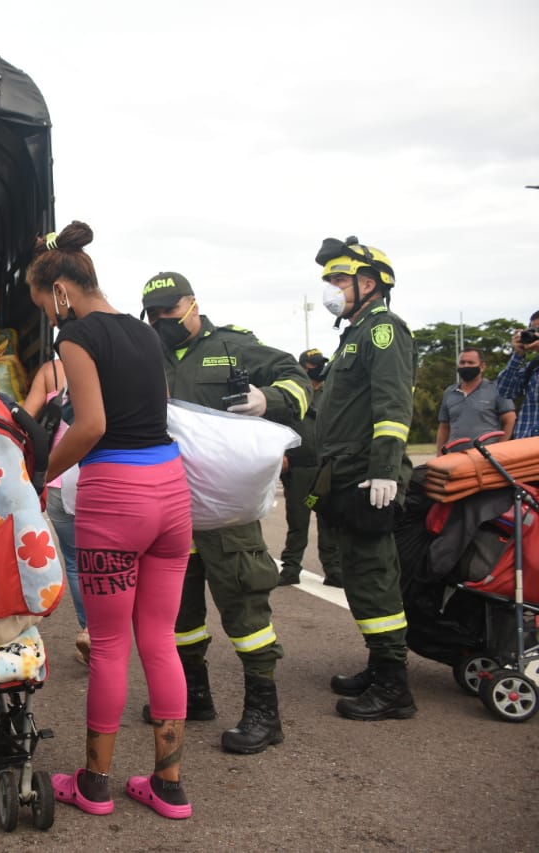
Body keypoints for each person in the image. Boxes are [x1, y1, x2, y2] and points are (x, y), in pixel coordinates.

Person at [32, 223, 195, 820]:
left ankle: (95, 784)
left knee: (108, 646)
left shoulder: (76, 335)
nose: (49, 321)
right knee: (159, 640)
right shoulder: (144, 333)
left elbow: (92, 424)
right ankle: (169, 786)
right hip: (171, 495)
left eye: (44, 307)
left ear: (60, 292)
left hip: (116, 499)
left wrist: (40, 473)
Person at [141, 272, 310, 754]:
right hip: (172, 504)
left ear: (193, 304)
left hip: (227, 509)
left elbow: (296, 380)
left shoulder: (234, 346)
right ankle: (194, 694)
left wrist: (267, 400)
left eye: (169, 311)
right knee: (179, 611)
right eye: (153, 314)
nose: (161, 321)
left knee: (246, 607)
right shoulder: (148, 352)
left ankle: (264, 712)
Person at [312, 236, 417, 721]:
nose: (331, 288)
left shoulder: (383, 331)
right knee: (356, 575)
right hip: (345, 475)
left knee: (374, 579)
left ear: (368, 283)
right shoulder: (353, 333)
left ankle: (395, 686)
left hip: (368, 478)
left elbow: (392, 407)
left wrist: (384, 471)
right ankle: (379, 667)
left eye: (338, 279)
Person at [22, 355, 86, 663]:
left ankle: (91, 630)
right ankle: (111, 630)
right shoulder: (109, 365)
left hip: (61, 475)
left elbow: (25, 418)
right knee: (109, 560)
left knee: (74, 560)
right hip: (103, 471)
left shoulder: (51, 371)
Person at [278, 350, 343, 587]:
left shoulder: (331, 393)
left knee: (328, 520)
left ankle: (333, 570)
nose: (317, 368)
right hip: (300, 468)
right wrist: (281, 454)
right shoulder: (294, 394)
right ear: (303, 366)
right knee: (298, 521)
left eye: (320, 364)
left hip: (325, 468)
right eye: (312, 364)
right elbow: (278, 426)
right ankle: (290, 568)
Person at [495, 311, 539, 439]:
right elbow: (505, 391)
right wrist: (518, 355)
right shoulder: (533, 367)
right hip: (525, 444)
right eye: (533, 330)